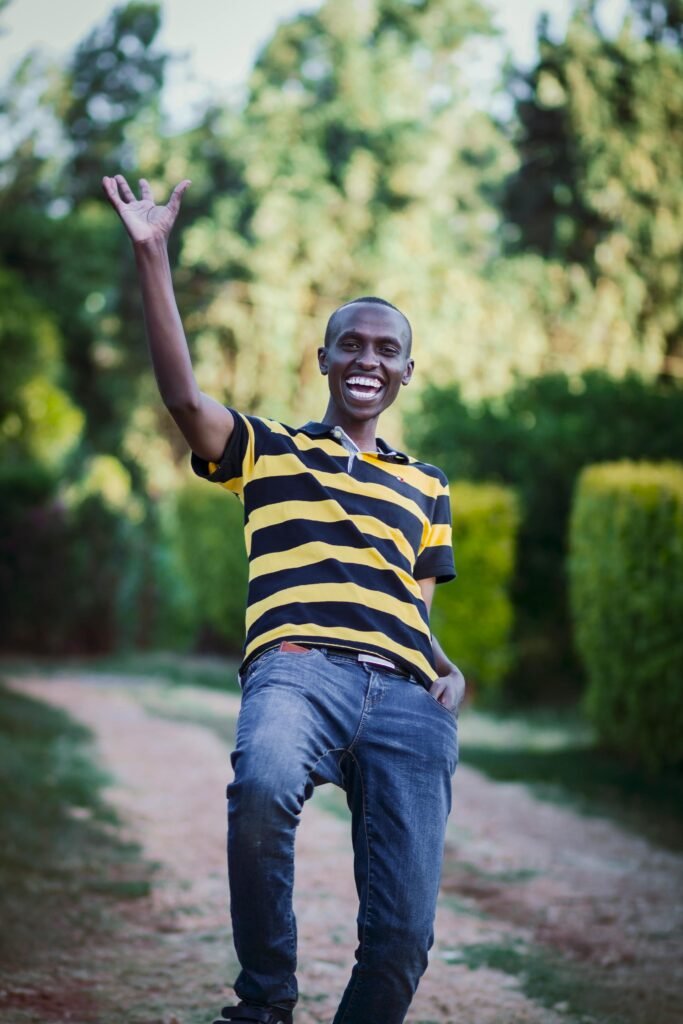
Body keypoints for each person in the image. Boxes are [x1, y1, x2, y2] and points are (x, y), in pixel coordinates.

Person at [102, 174, 465, 1024]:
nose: (367, 360)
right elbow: (185, 400)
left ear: (408, 370)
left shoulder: (427, 485)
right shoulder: (268, 450)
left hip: (409, 700)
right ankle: (263, 1003)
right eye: (351, 345)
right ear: (324, 359)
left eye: (385, 349)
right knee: (262, 784)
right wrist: (152, 255)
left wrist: (448, 673)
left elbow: (413, 605)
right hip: (298, 673)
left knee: (404, 938)